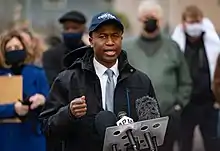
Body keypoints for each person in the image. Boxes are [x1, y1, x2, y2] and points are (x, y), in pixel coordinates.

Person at [40, 12, 160, 151]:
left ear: (121, 39)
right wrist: (69, 113)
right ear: (91, 40)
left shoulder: (141, 81)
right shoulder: (68, 80)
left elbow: (153, 129)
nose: (110, 42)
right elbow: (46, 127)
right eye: (103, 36)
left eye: (115, 36)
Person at [123, 1, 192, 151]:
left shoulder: (172, 47)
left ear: (161, 20)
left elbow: (185, 81)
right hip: (135, 122)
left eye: (154, 17)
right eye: (146, 17)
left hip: (167, 118)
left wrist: (178, 106)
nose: (150, 21)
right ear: (140, 20)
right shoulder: (126, 48)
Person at [172, 5, 220, 151]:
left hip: (209, 103)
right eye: (191, 22)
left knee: (213, 143)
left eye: (198, 22)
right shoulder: (177, 44)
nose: (195, 26)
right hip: (187, 104)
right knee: (184, 143)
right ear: (184, 23)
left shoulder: (212, 43)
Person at [0, 29, 49, 151]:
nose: (13, 50)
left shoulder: (38, 73)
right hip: (6, 137)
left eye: (17, 46)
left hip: (32, 137)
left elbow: (51, 105)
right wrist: (13, 109)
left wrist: (42, 100)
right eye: (9, 49)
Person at [43, 11, 87, 85]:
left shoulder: (90, 54)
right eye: (66, 28)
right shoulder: (51, 55)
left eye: (74, 28)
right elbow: (53, 82)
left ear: (83, 29)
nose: (70, 31)